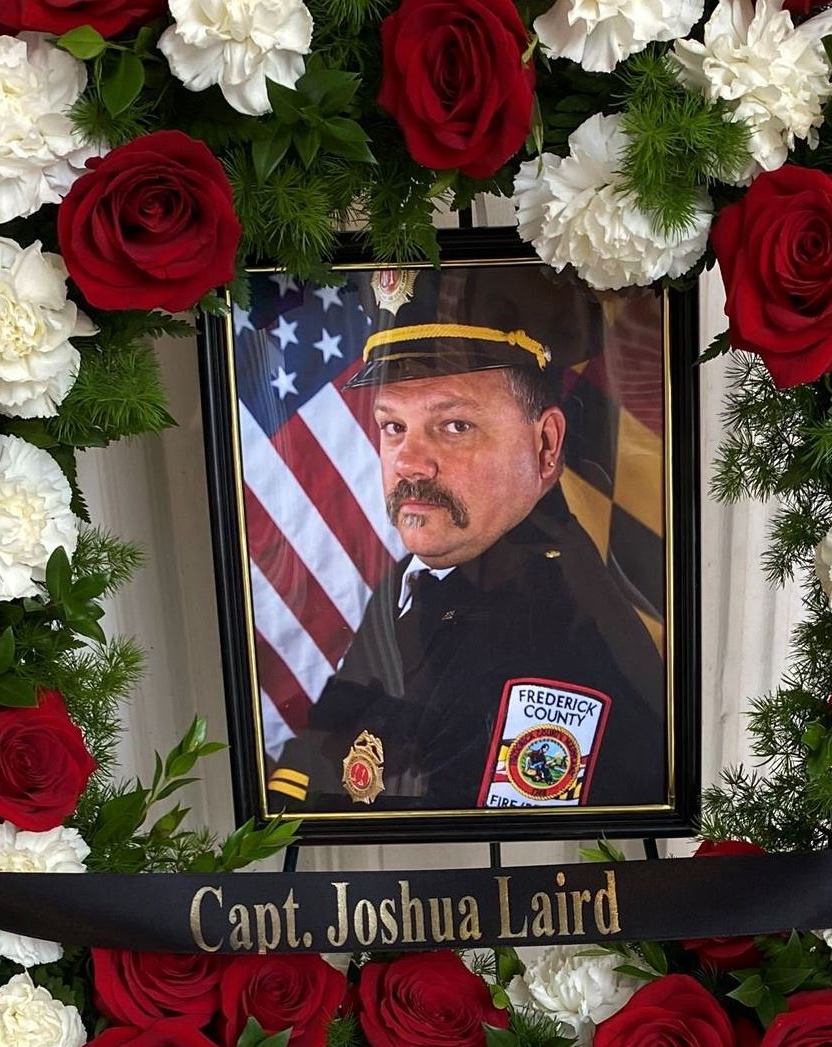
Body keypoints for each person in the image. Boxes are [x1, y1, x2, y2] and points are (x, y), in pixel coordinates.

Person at [264, 273, 669, 815]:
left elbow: (453, 861)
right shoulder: (424, 577)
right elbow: (320, 749)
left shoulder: (546, 642)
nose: (408, 463)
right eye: (392, 427)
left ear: (545, 446)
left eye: (455, 426)